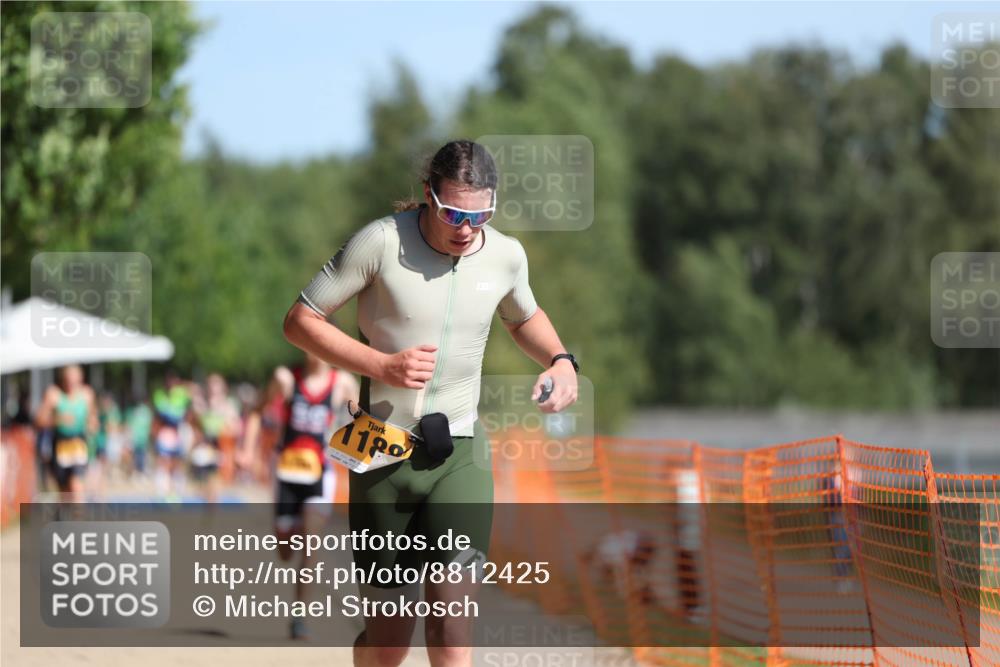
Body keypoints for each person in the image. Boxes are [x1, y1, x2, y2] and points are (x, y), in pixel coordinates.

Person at [283, 139, 580, 667]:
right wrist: (381, 366)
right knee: (389, 645)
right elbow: (300, 321)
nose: (466, 227)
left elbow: (524, 317)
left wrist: (560, 360)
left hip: (459, 454)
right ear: (427, 196)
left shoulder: (506, 255)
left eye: (481, 213)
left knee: (450, 628)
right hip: (382, 455)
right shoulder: (379, 243)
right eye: (453, 212)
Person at [243, 351, 359, 640]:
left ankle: (299, 616)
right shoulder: (285, 379)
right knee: (285, 552)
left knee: (311, 544)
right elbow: (257, 411)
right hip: (287, 472)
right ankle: (290, 526)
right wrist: (247, 450)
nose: (315, 351)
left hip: (320, 473)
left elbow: (364, 420)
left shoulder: (342, 382)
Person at [34, 365, 98, 503]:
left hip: (78, 443)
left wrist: (92, 424)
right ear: (63, 379)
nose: (71, 383)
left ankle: (78, 521)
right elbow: (38, 420)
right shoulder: (54, 394)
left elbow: (93, 418)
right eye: (69, 379)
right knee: (64, 492)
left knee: (76, 485)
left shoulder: (87, 394)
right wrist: (57, 420)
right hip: (60, 443)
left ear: (80, 378)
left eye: (75, 379)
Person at [152, 370, 193, 499]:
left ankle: (175, 492)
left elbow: (189, 412)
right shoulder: (160, 396)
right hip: (165, 433)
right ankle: (163, 492)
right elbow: (158, 416)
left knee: (177, 463)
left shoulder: (183, 395)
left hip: (178, 432)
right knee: (163, 462)